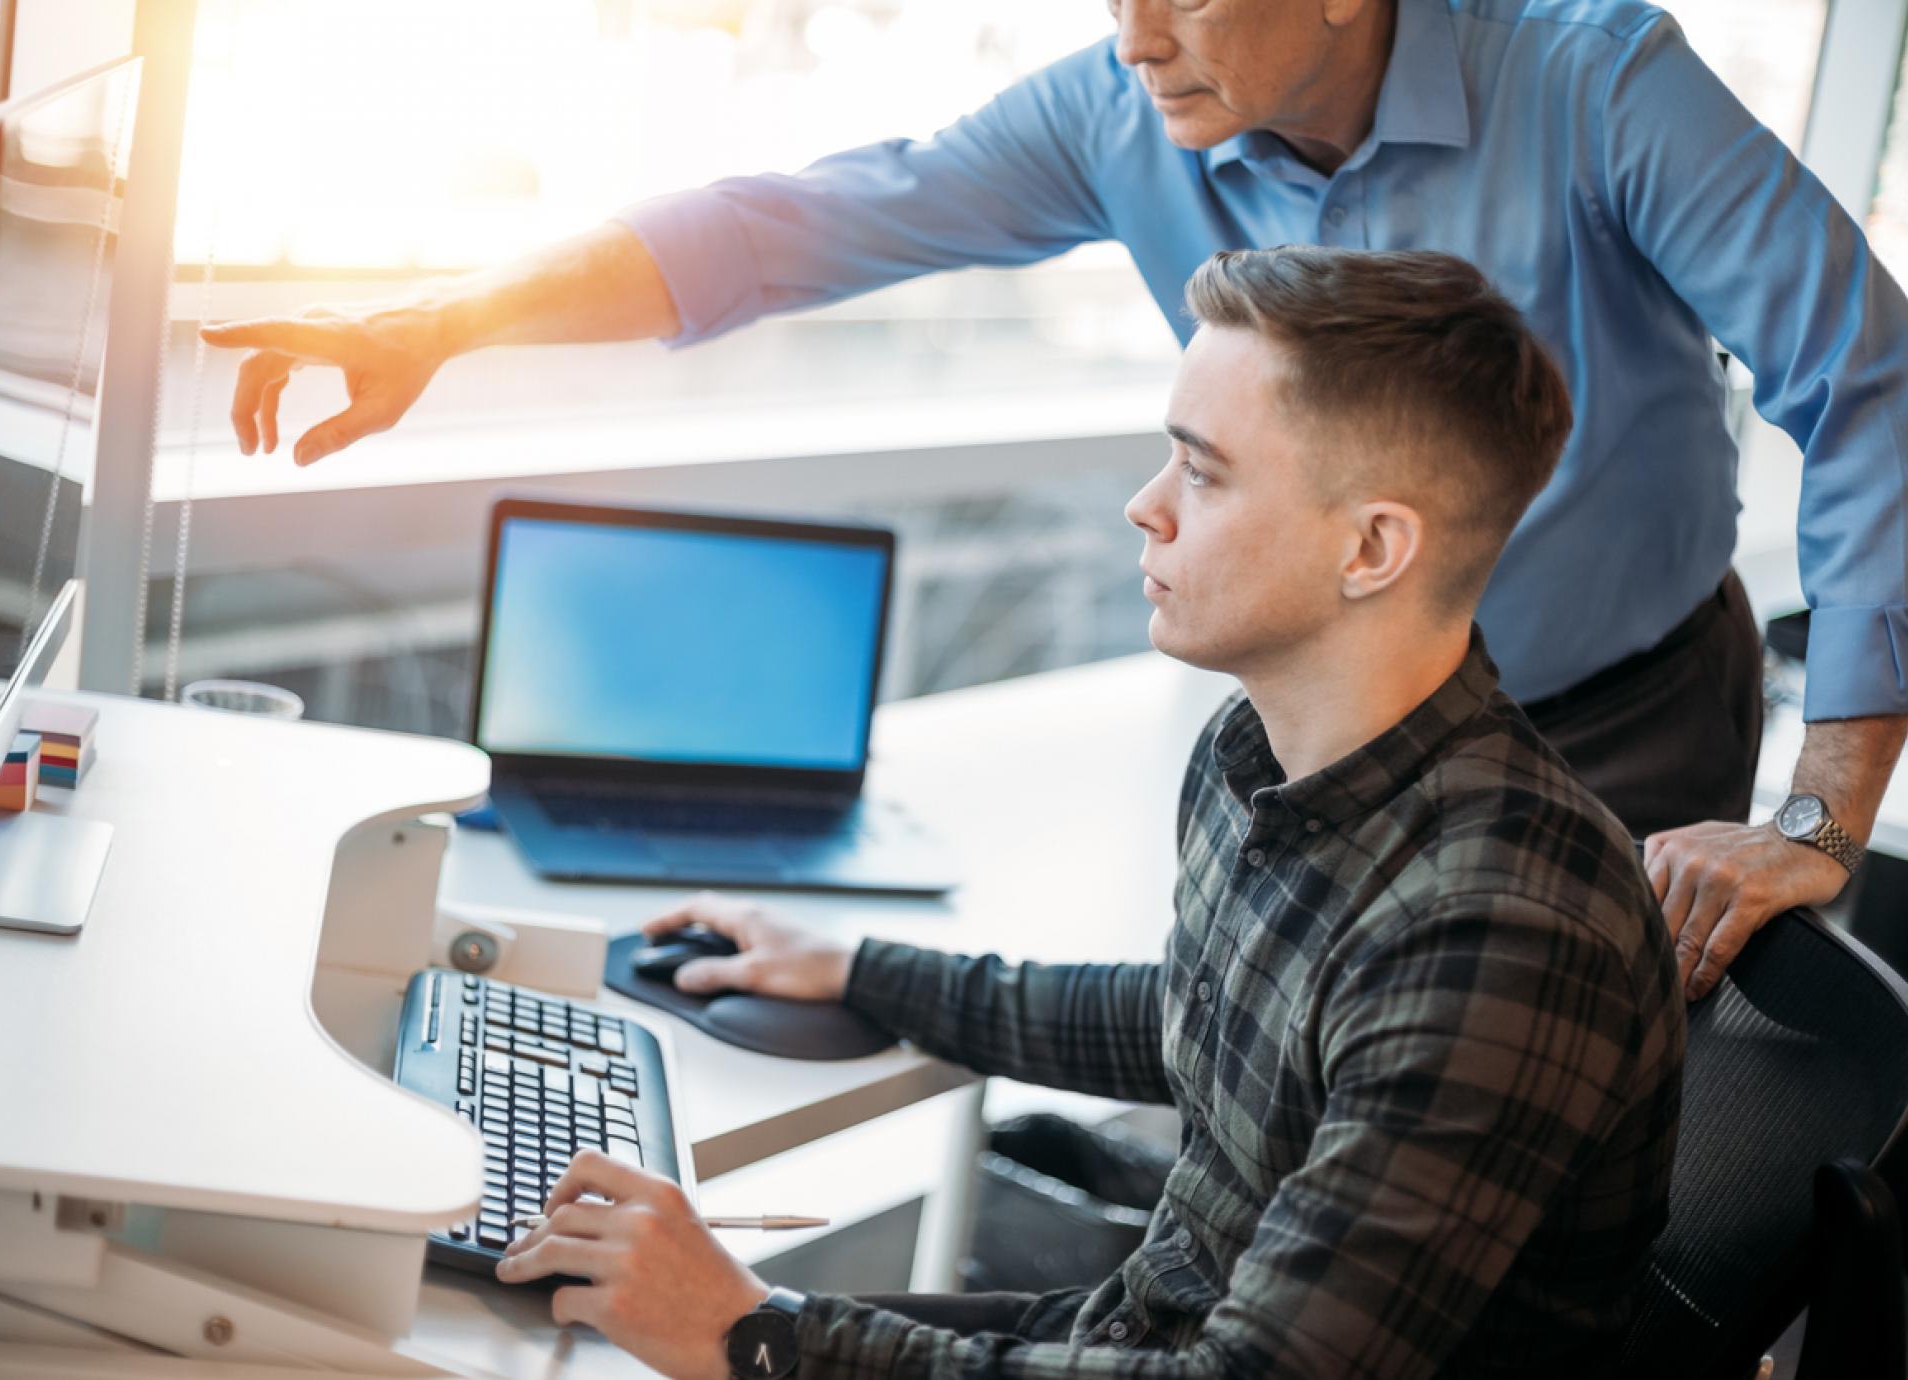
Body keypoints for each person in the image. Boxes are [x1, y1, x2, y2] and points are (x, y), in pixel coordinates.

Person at [202, 1, 1908, 1002]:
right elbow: (796, 222)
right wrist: (448, 320)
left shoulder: (1593, 74)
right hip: (1320, 726)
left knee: (1493, 1182)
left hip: (1609, 719)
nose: (1133, 24)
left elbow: (1870, 379)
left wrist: (1820, 816)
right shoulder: (1124, 111)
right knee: (1254, 1089)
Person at [488, 246, 1686, 1380]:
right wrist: (860, 968)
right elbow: (1198, 1022)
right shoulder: (1254, 752)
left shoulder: (1496, 932)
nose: (1142, 507)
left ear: (1370, 547)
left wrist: (758, 1336)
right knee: (572, 1316)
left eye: (1201, 471)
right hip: (1140, 1331)